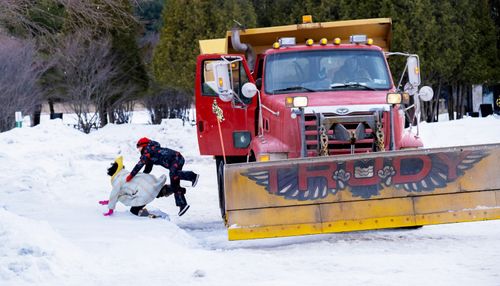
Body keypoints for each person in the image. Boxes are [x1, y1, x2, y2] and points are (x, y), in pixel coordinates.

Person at [127, 137, 199, 216]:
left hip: (176, 158)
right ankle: (182, 205)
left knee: (173, 175)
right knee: (174, 184)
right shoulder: (149, 154)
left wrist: (131, 176)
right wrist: (143, 178)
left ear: (143, 145)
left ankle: (192, 176)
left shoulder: (148, 150)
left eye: (139, 147)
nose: (138, 149)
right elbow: (148, 168)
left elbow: (140, 164)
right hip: (175, 161)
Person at [100, 156, 180, 217]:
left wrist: (111, 209)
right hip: (151, 181)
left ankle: (147, 215)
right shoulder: (127, 173)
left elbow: (115, 194)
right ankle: (169, 188)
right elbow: (117, 195)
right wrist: (110, 201)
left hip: (144, 192)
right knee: (154, 188)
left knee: (134, 210)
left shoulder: (117, 180)